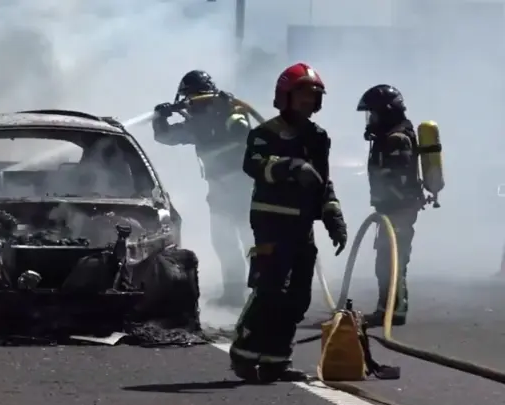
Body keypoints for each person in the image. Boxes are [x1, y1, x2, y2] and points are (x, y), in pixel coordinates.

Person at [229, 62, 348, 383]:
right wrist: (290, 167)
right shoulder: (264, 134)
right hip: (271, 222)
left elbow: (323, 182)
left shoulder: (318, 137)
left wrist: (333, 216)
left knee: (297, 298)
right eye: (303, 95)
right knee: (270, 291)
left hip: (302, 227)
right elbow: (252, 164)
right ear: (286, 96)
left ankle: (276, 360)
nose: (309, 101)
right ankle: (244, 351)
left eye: (314, 96)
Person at [152, 70, 254, 307]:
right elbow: (165, 137)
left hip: (244, 188)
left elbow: (243, 133)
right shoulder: (197, 124)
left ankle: (263, 293)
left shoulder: (231, 111)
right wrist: (160, 117)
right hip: (219, 191)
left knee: (251, 242)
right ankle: (234, 295)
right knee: (224, 242)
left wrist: (225, 114)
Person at [357, 84, 423, 327]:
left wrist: (388, 200)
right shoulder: (390, 137)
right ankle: (388, 308)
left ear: (385, 112)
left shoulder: (396, 139)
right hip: (393, 209)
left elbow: (399, 178)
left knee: (392, 260)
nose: (370, 119)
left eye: (373, 114)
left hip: (398, 210)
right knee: (388, 259)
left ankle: (393, 311)